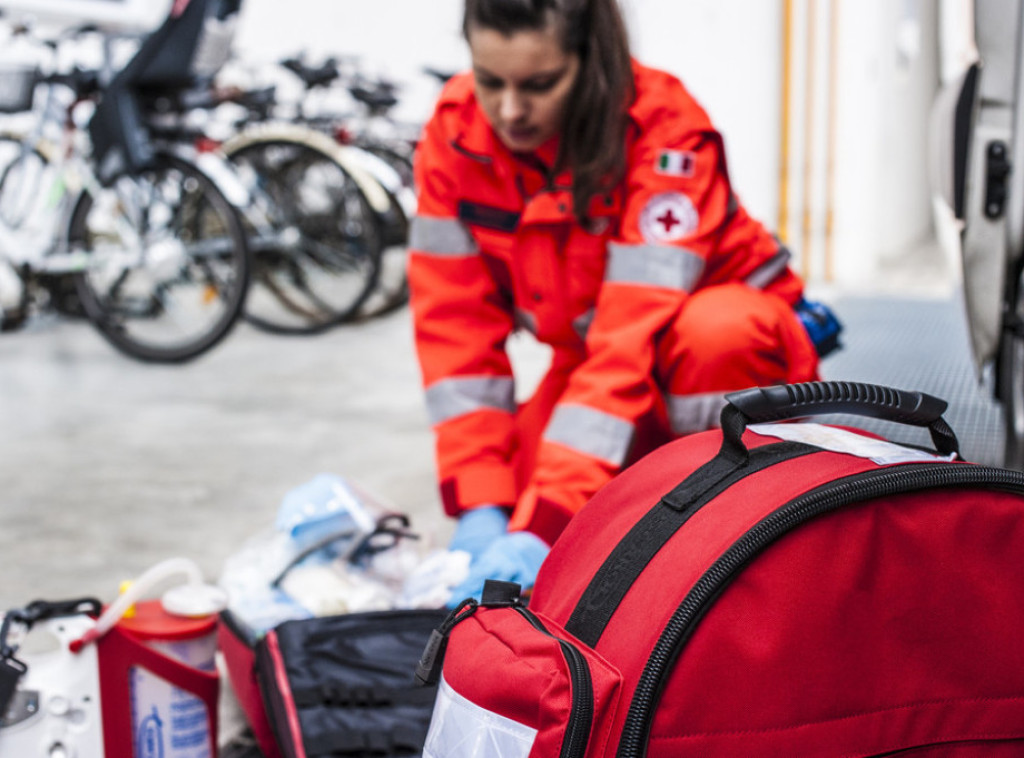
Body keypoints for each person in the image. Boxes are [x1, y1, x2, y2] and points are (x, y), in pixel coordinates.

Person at [407, 0, 836, 602]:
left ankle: (730, 530)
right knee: (525, 495)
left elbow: (628, 342)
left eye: (539, 84)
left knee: (716, 334)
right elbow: (456, 339)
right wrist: (482, 503)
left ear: (590, 63)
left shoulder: (664, 133)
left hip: (718, 356)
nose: (509, 110)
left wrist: (545, 524)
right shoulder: (456, 136)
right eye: (490, 80)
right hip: (596, 360)